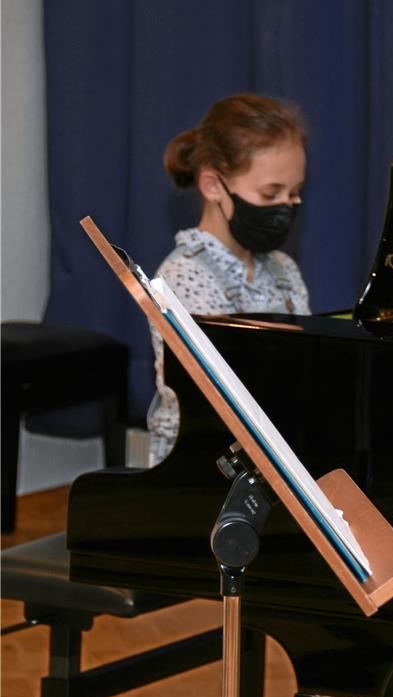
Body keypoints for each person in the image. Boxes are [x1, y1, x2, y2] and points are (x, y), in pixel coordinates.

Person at [148, 93, 311, 466]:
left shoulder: (284, 269)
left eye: (295, 193)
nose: (287, 206)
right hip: (203, 468)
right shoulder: (182, 276)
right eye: (272, 193)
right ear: (212, 186)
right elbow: (222, 403)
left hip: (275, 454)